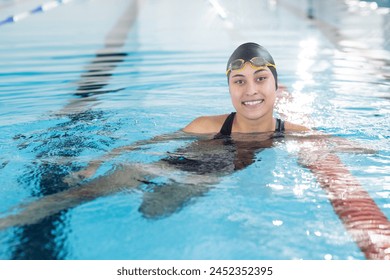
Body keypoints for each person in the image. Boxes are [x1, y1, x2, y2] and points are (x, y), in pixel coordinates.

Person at [0, 42, 388, 259]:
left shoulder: (294, 132)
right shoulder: (207, 124)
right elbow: (150, 144)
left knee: (154, 211)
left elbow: (340, 147)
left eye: (259, 79)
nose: (250, 90)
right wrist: (98, 163)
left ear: (275, 84)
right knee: (79, 195)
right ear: (230, 89)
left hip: (200, 179)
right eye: (239, 81)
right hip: (162, 166)